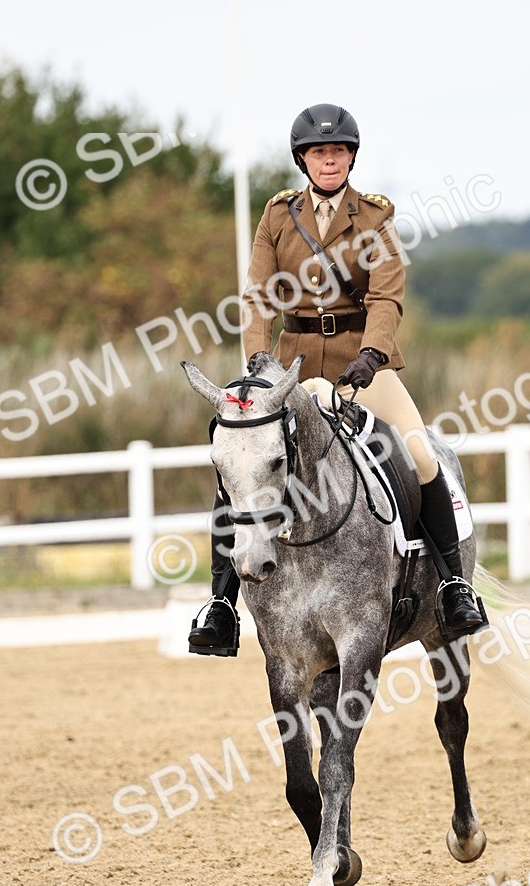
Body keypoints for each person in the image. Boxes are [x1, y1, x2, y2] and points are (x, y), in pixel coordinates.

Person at [188, 102, 485, 656]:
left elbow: (386, 294)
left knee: (420, 455)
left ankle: (452, 585)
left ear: (351, 157)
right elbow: (257, 297)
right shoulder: (278, 216)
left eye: (339, 151)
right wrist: (258, 363)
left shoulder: (374, 217)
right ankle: (222, 604)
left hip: (362, 362)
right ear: (303, 159)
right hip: (291, 367)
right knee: (244, 463)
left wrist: (372, 355)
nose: (331, 160)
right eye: (320, 152)